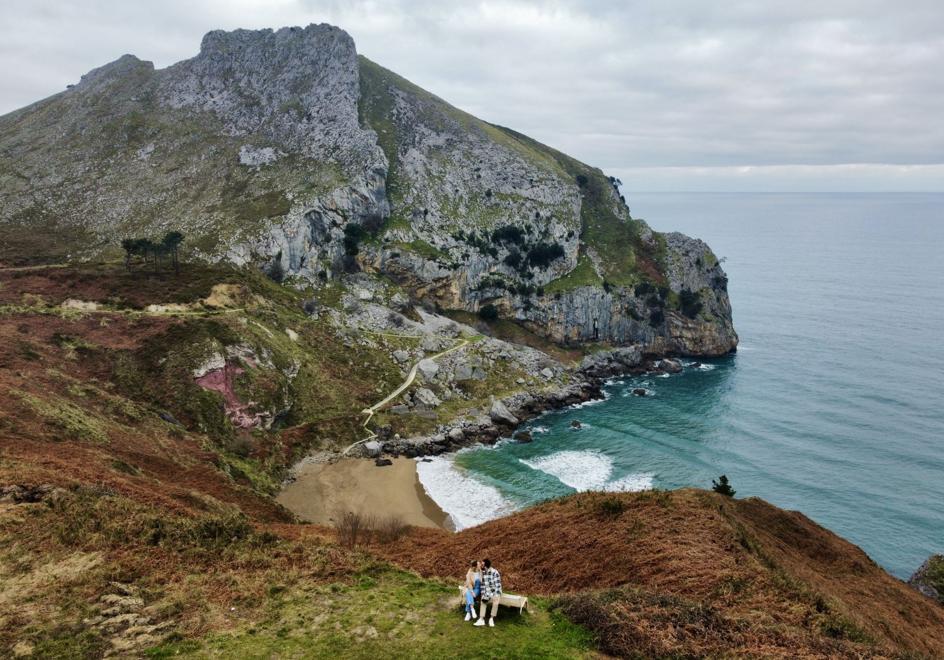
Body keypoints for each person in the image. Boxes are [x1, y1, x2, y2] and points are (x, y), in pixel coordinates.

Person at [474, 558, 502, 627]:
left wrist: (492, 594)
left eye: (482, 564)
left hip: (495, 591)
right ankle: (481, 619)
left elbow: (498, 586)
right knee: (483, 601)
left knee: (496, 601)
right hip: (487, 591)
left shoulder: (495, 572)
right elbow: (483, 586)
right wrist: (483, 594)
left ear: (486, 565)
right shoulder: (483, 572)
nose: (481, 566)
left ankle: (491, 618)